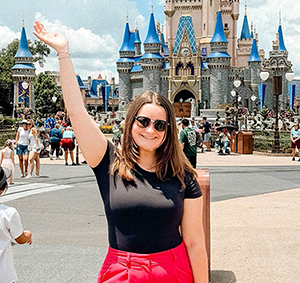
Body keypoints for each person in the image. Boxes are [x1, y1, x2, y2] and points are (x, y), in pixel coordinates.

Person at [33, 21, 208, 283]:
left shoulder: (183, 176)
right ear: (131, 123)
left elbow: (195, 242)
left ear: (168, 129)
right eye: (143, 121)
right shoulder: (109, 163)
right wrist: (63, 53)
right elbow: (77, 113)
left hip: (173, 271)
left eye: (160, 124)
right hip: (123, 272)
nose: (151, 130)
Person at [0, 166, 32, 283]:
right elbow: (20, 239)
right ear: (2, 189)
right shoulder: (8, 213)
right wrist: (28, 235)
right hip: (4, 276)